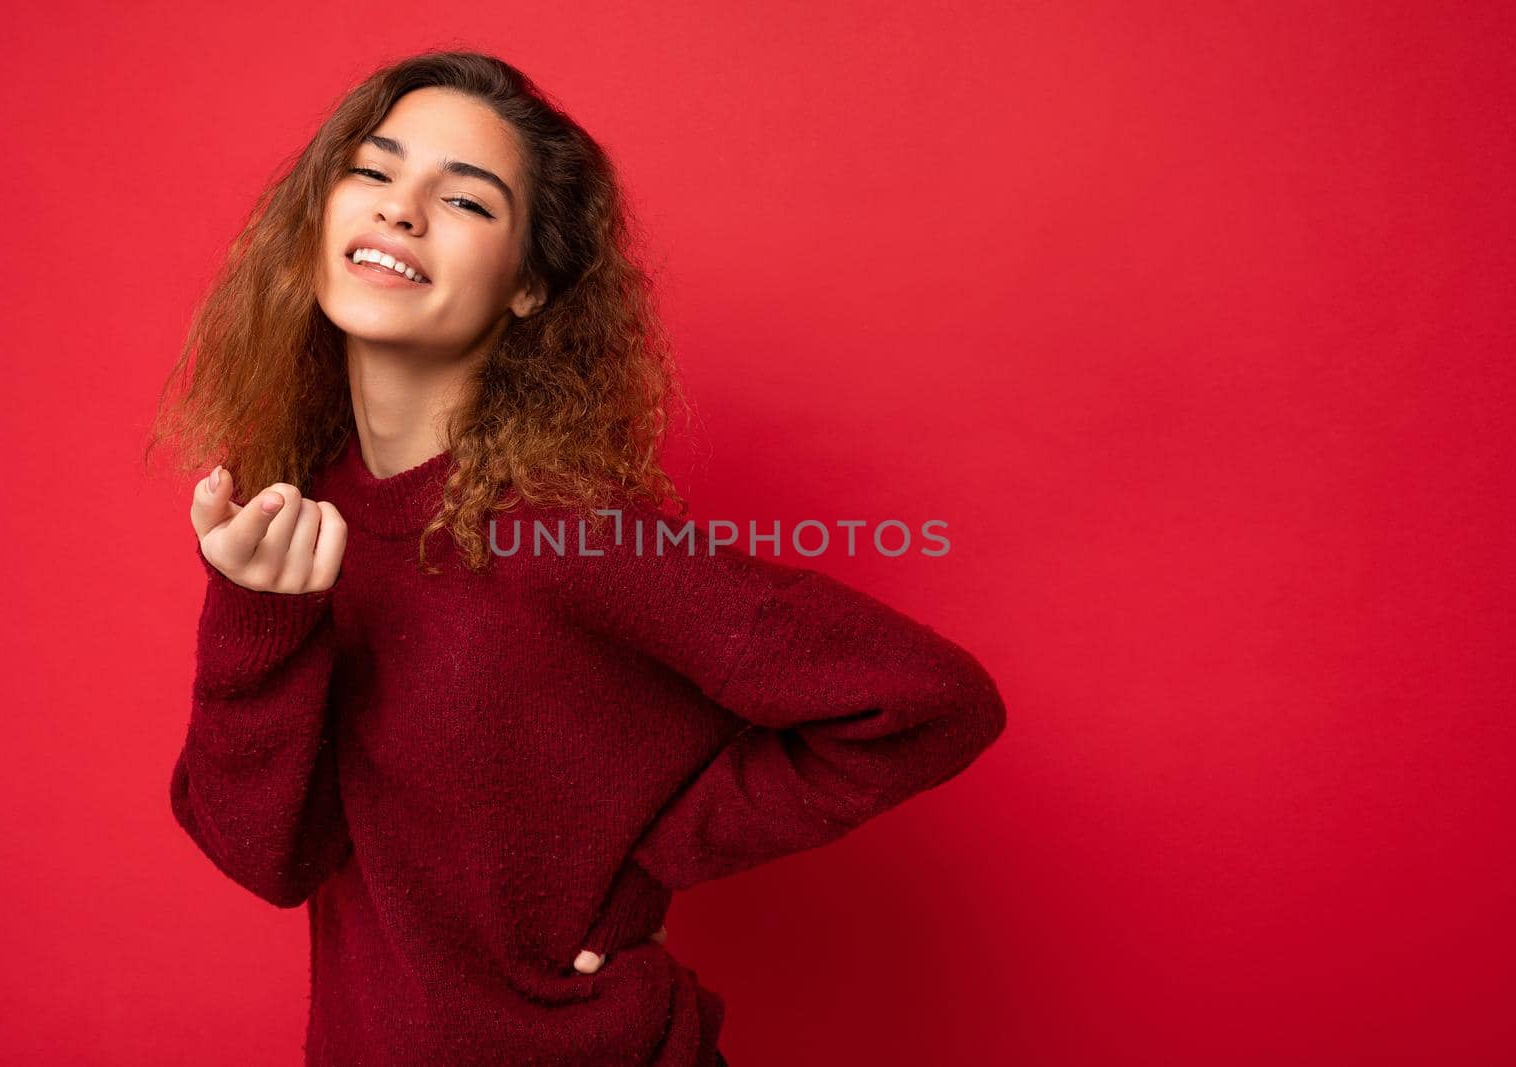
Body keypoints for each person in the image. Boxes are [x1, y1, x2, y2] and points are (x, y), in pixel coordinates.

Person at [150, 49, 1007, 1067]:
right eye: (372, 172)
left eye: (464, 200)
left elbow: (930, 697)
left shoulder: (567, 534)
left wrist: (654, 853)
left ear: (529, 285)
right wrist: (257, 612)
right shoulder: (302, 514)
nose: (400, 211)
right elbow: (266, 856)